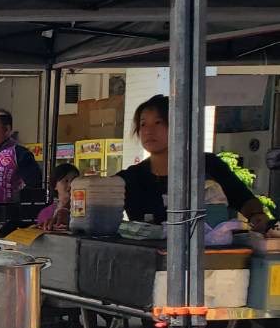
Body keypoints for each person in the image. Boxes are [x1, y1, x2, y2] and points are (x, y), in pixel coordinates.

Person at [117, 93, 275, 232]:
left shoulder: (208, 165)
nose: (148, 130)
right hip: (149, 260)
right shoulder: (131, 178)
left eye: (158, 122)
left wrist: (257, 216)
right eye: (143, 124)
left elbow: (244, 199)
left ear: (180, 126)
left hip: (206, 259)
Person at [36, 162, 80, 230]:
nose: (71, 185)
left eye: (74, 180)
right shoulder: (46, 213)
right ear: (55, 185)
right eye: (66, 180)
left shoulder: (85, 211)